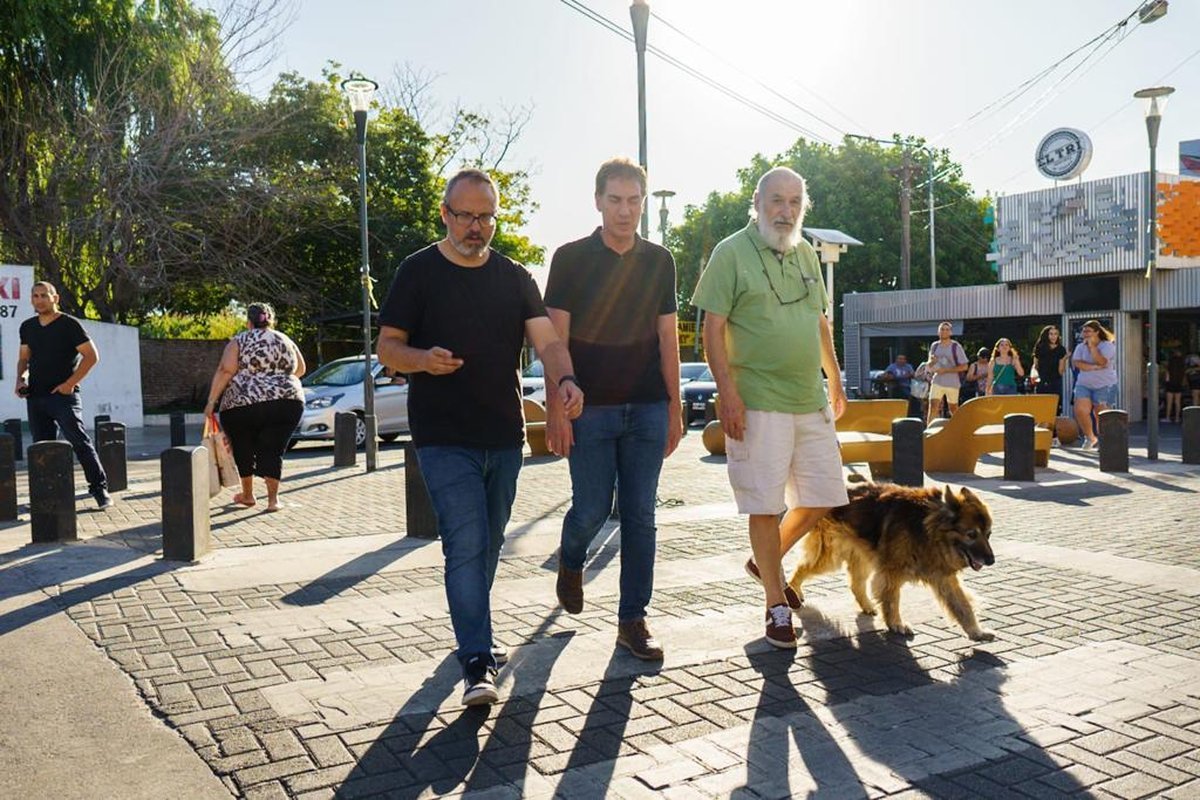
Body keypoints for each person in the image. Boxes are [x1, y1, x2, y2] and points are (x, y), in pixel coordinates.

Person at [376, 168, 583, 707]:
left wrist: (564, 379)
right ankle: (477, 658)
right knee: (466, 543)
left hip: (503, 435)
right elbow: (388, 348)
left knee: (488, 543)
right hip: (443, 437)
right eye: (465, 215)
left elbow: (548, 342)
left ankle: (471, 623)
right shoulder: (417, 272)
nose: (475, 226)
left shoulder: (515, 277)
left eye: (485, 216)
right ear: (445, 214)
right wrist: (421, 360)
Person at [692, 166, 848, 650]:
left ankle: (768, 561)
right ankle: (775, 604)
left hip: (809, 397)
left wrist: (836, 379)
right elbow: (711, 329)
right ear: (757, 201)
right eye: (777, 201)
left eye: (795, 203)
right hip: (757, 400)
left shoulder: (805, 252)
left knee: (826, 494)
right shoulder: (730, 252)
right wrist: (728, 392)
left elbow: (819, 321)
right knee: (765, 503)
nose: (786, 211)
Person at [545, 158, 682, 662]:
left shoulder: (659, 260)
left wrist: (674, 407)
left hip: (647, 406)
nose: (625, 211)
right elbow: (554, 335)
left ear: (643, 203)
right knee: (591, 508)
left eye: (634, 201)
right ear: (598, 200)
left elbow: (667, 337)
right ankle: (572, 556)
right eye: (615, 200)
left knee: (641, 515)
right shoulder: (571, 258)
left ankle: (633, 620)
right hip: (590, 408)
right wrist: (558, 407)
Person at [14, 281, 111, 508]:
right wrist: (20, 380)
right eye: (35, 296)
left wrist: (69, 384)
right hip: (36, 397)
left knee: (79, 441)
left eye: (44, 296)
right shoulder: (27, 326)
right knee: (42, 447)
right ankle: (46, 497)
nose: (39, 300)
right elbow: (24, 358)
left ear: (55, 298)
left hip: (63, 396)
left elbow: (91, 356)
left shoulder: (70, 325)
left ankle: (99, 489)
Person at [203, 303, 306, 512]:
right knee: (273, 447)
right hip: (287, 401)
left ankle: (248, 495)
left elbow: (225, 370)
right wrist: (275, 382)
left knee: (243, 445)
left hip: (242, 403)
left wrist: (211, 402)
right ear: (271, 320)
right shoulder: (285, 339)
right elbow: (301, 369)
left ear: (249, 322)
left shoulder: (239, 340)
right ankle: (273, 500)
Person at [1071, 319, 1118, 449]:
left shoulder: (1107, 345)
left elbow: (1102, 362)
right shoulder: (1080, 347)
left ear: (1097, 332)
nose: (1085, 334)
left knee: (1101, 414)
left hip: (1105, 385)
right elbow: (1077, 363)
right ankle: (1090, 437)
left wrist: (1092, 347)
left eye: (1088, 331)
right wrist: (1093, 367)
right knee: (1080, 410)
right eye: (1084, 331)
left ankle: (1105, 441)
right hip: (1084, 383)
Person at [924, 322, 968, 423]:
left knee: (953, 408)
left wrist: (946, 370)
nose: (944, 331)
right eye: (942, 329)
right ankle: (929, 432)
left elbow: (965, 366)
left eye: (947, 329)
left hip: (952, 382)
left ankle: (960, 427)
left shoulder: (956, 347)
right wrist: (932, 362)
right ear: (938, 332)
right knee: (933, 405)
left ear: (951, 332)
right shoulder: (934, 346)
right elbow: (929, 364)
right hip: (937, 380)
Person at [1032, 325, 1068, 414]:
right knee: (1041, 408)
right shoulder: (1040, 347)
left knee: (1055, 409)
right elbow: (1035, 365)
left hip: (1055, 382)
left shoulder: (1061, 349)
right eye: (1051, 334)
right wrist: (1034, 376)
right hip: (1042, 381)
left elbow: (1061, 371)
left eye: (1056, 334)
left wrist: (1064, 359)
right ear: (1046, 335)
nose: (1053, 336)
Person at [1164, 351, 1186, 424]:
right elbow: (1184, 376)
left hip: (1171, 384)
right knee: (1177, 402)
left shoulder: (1170, 363)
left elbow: (1167, 377)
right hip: (1178, 384)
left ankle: (1168, 417)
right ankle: (1177, 418)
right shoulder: (1182, 365)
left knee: (1169, 402)